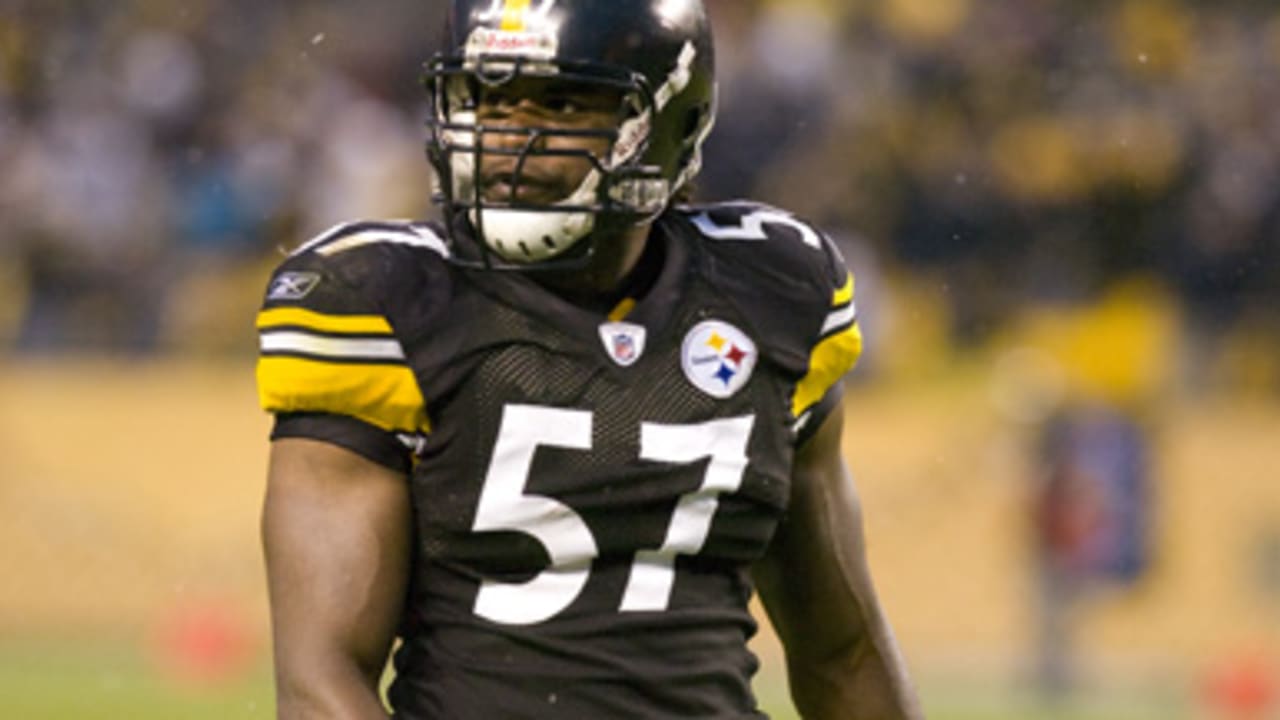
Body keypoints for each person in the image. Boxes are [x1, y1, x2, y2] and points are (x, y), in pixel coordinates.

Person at [256, 1, 922, 717]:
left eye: (564, 103)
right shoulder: (383, 301)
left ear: (671, 122)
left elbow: (842, 650)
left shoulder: (774, 292)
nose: (511, 140)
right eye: (489, 102)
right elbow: (320, 681)